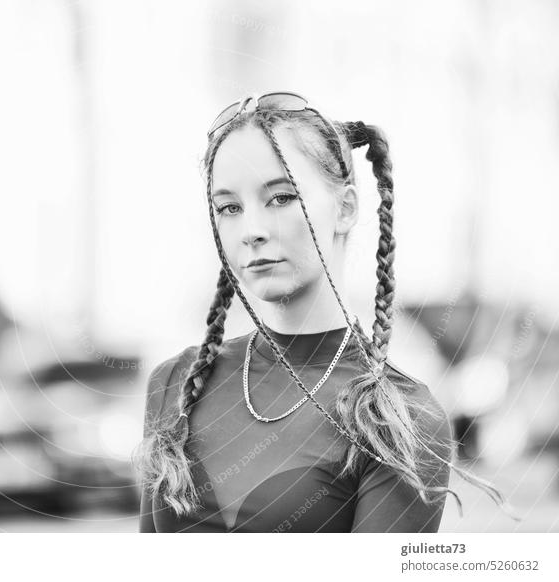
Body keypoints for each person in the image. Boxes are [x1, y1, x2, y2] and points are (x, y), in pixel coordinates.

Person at [135, 92, 517, 532]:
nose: (251, 231)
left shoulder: (399, 418)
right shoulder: (175, 385)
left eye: (280, 198)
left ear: (345, 208)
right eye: (229, 208)